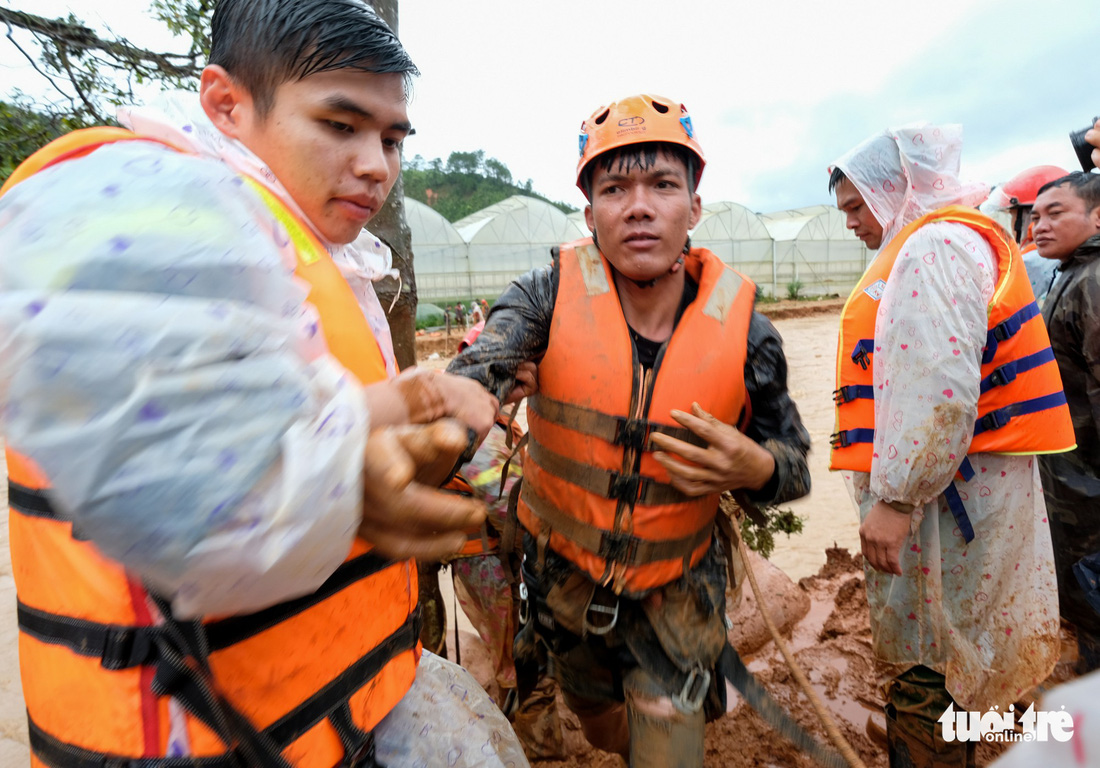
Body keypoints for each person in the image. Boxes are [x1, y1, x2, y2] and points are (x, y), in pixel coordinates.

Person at [0, 1, 530, 766]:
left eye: (390, 138)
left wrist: (396, 410)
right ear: (225, 104)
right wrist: (339, 475)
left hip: (325, 716)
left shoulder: (310, 250)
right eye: (340, 126)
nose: (377, 164)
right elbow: (209, 499)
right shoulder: (145, 218)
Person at [448, 93, 811, 767]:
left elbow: (793, 469)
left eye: (663, 185)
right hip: (564, 585)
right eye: (615, 188)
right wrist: (460, 409)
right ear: (589, 214)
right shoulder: (545, 296)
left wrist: (756, 467)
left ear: (694, 207)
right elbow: (478, 369)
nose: (639, 206)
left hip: (678, 592)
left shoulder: (748, 332)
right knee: (600, 725)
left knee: (664, 743)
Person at [828, 124, 1074, 768]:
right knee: (983, 652)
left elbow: (934, 387)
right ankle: (998, 751)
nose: (852, 223)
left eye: (857, 206)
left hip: (945, 504)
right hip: (976, 491)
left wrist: (895, 497)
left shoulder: (931, 248)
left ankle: (934, 753)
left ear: (896, 189)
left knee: (930, 662)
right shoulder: (956, 236)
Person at [1031, 171, 1100, 672]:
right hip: (1071, 480)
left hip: (1089, 488)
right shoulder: (1071, 271)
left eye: (1056, 213)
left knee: (1092, 589)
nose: (1040, 226)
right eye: (1034, 216)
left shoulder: (1095, 280)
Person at [988, 165, 1068, 302]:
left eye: (1012, 216)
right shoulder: (1070, 250)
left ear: (1026, 217)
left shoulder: (1031, 261)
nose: (1011, 224)